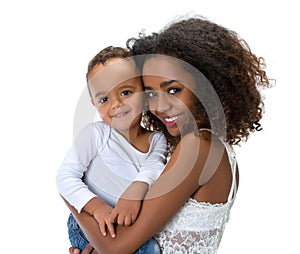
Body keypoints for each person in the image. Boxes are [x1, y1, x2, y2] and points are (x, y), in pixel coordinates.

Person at [68, 15, 271, 254]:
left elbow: (117, 248)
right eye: (151, 94)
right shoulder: (202, 149)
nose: (160, 106)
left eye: (174, 90)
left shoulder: (198, 147)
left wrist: (71, 195)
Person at [56, 46, 167, 253]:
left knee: (151, 247)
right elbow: (65, 176)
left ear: (144, 94)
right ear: (95, 105)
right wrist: (96, 207)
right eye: (104, 99)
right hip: (89, 222)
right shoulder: (95, 134)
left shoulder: (156, 139)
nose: (116, 104)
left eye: (125, 92)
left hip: (128, 225)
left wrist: (136, 190)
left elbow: (154, 166)